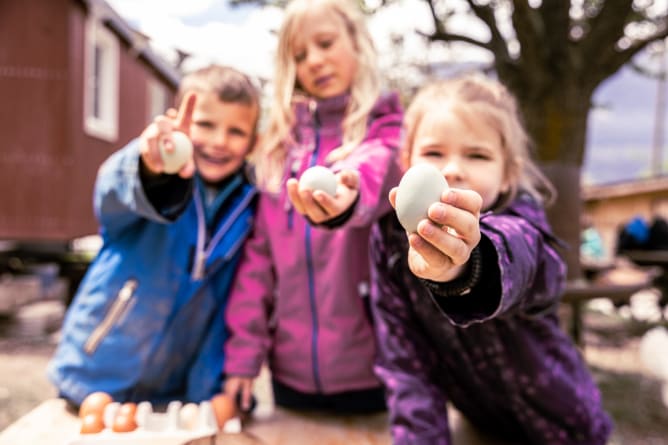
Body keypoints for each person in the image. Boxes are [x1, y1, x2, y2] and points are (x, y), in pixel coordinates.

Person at [369, 74, 613, 444]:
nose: (452, 169)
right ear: (406, 162)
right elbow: (406, 366)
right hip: (481, 426)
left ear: (508, 174)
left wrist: (469, 266)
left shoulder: (522, 224)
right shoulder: (389, 246)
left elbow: (538, 270)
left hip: (566, 428)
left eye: (477, 155)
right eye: (434, 153)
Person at [222, 0, 403, 414]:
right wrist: (244, 360)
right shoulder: (277, 152)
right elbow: (257, 266)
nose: (315, 61)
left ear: (357, 44)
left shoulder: (385, 128)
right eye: (300, 55)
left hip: (373, 375)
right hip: (290, 378)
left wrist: (346, 195)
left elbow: (374, 167)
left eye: (325, 43)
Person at [47, 65, 261, 407]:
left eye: (236, 131)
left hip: (173, 389)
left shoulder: (251, 208)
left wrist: (210, 390)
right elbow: (112, 194)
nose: (220, 141)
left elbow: (235, 303)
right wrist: (149, 170)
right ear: (180, 123)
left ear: (254, 142)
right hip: (95, 375)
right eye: (205, 125)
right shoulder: (156, 178)